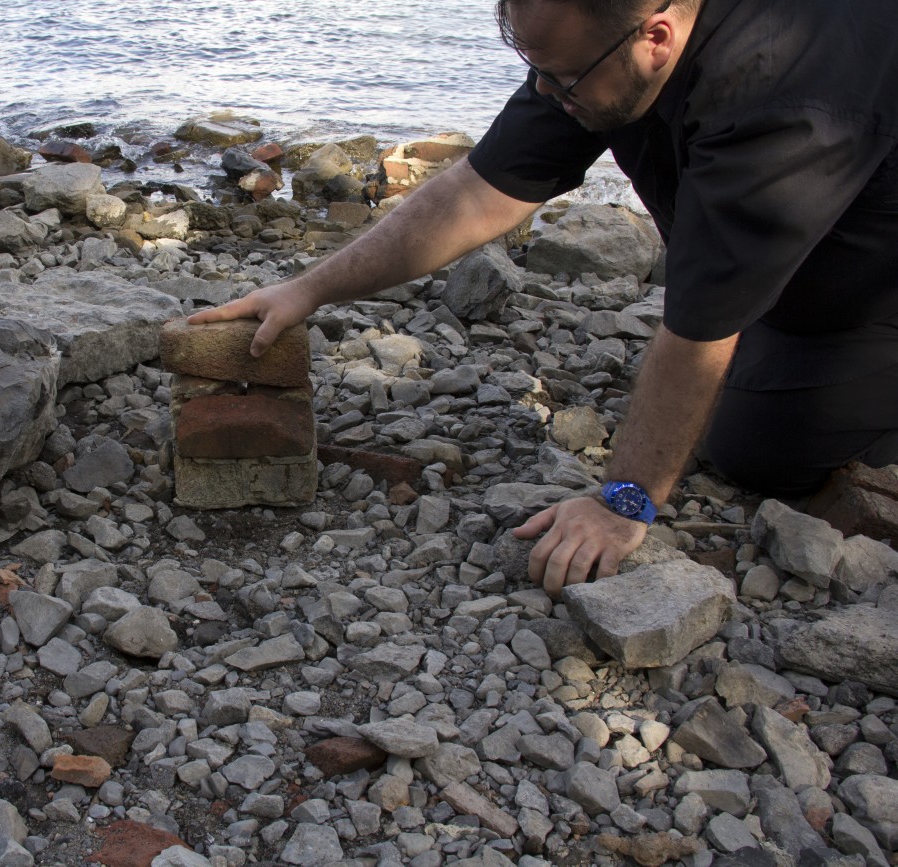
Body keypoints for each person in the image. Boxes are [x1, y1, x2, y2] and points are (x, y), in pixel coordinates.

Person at [189, 0, 898, 597]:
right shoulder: (592, 53)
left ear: (658, 39)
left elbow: (699, 326)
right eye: (536, 69)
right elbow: (474, 192)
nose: (549, 94)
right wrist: (305, 289)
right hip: (784, 266)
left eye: (561, 80)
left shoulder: (779, 89)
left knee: (754, 447)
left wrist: (623, 501)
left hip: (874, 293)